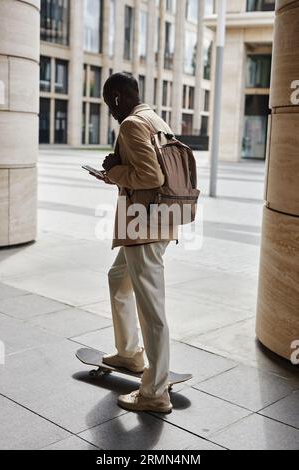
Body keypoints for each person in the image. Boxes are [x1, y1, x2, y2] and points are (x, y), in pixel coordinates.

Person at [100, 73, 178, 413]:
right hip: (158, 220)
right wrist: (118, 171)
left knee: (150, 307)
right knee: (118, 279)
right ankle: (130, 353)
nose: (111, 112)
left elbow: (151, 176)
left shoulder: (132, 124)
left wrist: (114, 172)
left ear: (117, 97)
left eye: (109, 104)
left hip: (143, 224)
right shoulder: (155, 119)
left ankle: (155, 392)